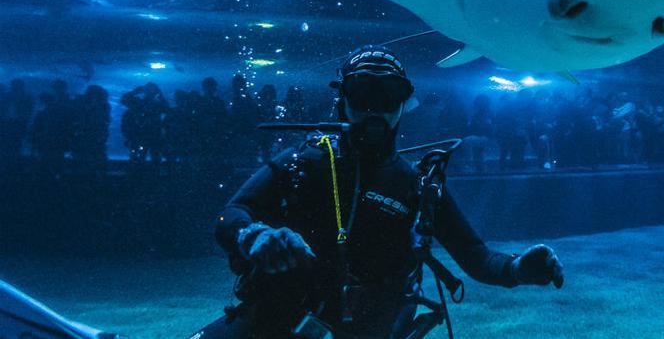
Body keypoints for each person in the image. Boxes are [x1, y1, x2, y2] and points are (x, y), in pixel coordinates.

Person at [200, 45, 564, 339]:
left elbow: (476, 256)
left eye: (388, 96)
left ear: (403, 104)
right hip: (273, 318)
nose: (374, 109)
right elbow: (232, 214)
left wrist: (517, 269)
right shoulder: (303, 160)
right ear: (342, 99)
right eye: (361, 93)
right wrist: (254, 234)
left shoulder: (418, 185)